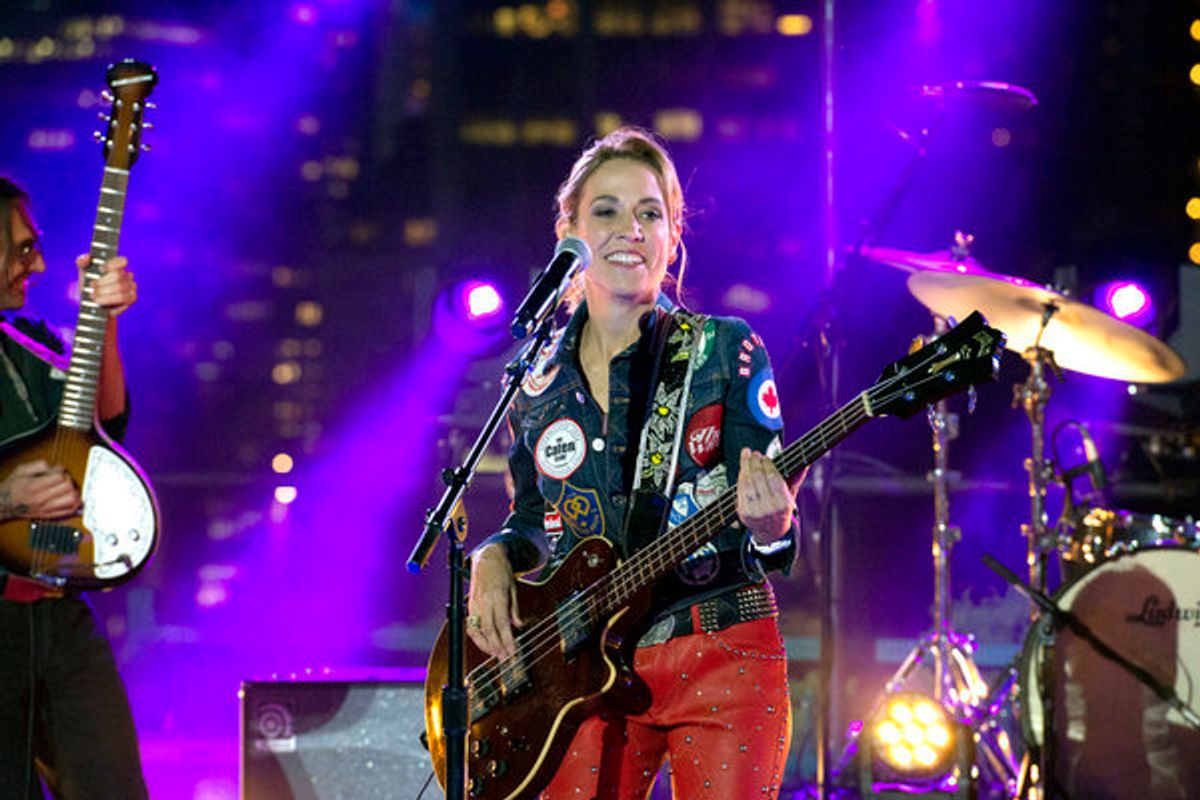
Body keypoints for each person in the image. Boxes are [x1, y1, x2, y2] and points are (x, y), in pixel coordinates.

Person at [466, 127, 804, 799]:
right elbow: (537, 517)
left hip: (720, 647)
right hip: (583, 667)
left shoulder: (723, 350)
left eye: (650, 213)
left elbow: (770, 518)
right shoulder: (533, 381)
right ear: (569, 232)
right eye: (607, 210)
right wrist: (495, 556)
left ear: (672, 236)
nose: (630, 228)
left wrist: (772, 527)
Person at [0, 176, 147, 799]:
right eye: (20, 248)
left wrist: (104, 323)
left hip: (59, 610)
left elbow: (104, 425)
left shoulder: (30, 340)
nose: (35, 261)